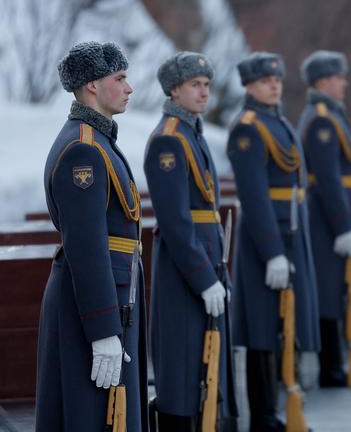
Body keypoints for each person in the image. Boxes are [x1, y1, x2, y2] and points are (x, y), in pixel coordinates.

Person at [36, 41, 148, 431]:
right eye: (120, 78)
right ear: (92, 87)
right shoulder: (82, 150)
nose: (129, 88)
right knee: (93, 419)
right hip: (96, 308)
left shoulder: (96, 140)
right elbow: (86, 247)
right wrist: (103, 331)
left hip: (114, 299)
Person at [144, 52, 238, 430]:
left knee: (206, 364)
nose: (203, 93)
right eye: (195, 86)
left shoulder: (190, 133)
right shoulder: (169, 141)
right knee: (183, 369)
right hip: (185, 271)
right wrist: (204, 278)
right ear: (174, 90)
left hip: (205, 258)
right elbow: (176, 222)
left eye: (207, 85)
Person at [227, 52, 320, 431]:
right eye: (266, 81)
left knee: (287, 322)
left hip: (292, 232)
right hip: (266, 240)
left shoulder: (276, 121)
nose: (274, 85)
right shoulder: (248, 128)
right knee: (263, 327)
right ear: (249, 86)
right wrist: (272, 252)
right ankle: (264, 415)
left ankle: (282, 406)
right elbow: (254, 195)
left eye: (277, 79)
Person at [297, 50, 351, 387]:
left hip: (336, 213)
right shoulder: (322, 118)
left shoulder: (331, 114)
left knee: (337, 287)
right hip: (325, 217)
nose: (344, 83)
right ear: (323, 81)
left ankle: (335, 363)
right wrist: (343, 224)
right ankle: (331, 367)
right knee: (327, 290)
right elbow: (327, 178)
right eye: (339, 77)